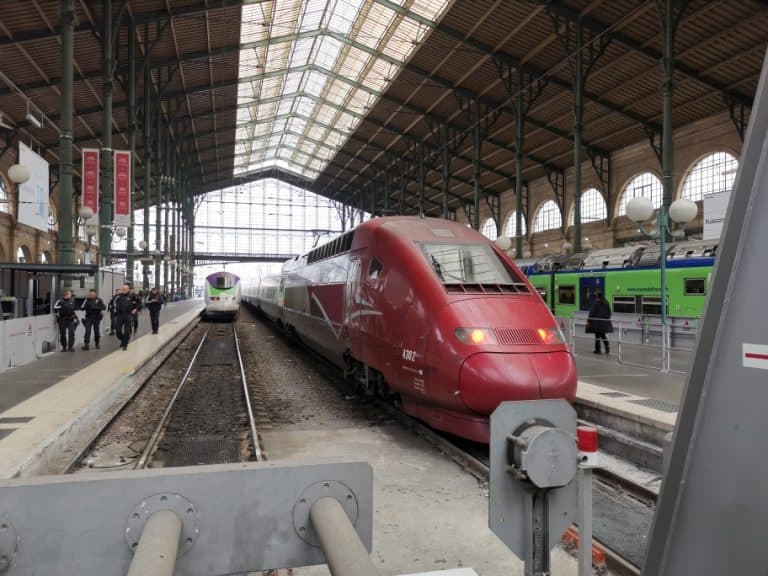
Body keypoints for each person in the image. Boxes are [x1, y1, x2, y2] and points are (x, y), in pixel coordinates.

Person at [586, 288, 613, 354]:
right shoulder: (606, 302)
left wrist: (589, 320)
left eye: (596, 295)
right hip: (604, 322)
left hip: (597, 322)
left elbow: (592, 312)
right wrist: (607, 318)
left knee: (597, 336)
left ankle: (598, 350)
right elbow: (609, 312)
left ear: (598, 296)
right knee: (603, 335)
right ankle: (607, 347)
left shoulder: (596, 302)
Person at [113, 284, 137, 350]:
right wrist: (114, 308)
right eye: (123, 289)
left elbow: (137, 303)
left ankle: (125, 344)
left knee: (127, 330)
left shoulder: (132, 296)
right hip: (119, 315)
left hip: (128, 315)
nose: (124, 290)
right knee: (118, 331)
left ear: (128, 290)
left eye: (125, 289)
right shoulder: (118, 296)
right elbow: (113, 303)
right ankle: (123, 339)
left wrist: (135, 309)